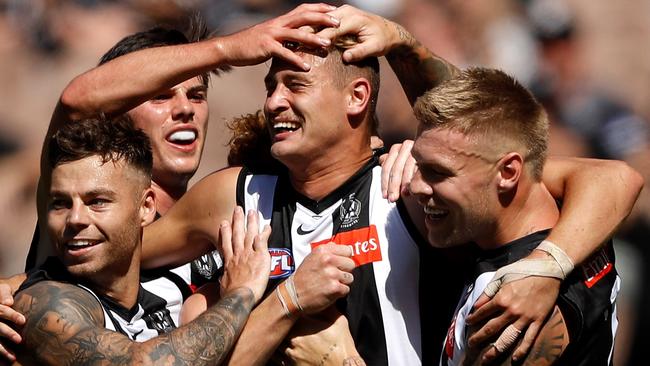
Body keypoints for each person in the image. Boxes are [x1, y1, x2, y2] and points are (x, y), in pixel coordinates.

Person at [129, 5, 642, 365]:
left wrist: (545, 267)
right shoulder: (237, 196)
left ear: (357, 97)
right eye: (270, 87)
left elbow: (607, 175)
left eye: (295, 85)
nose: (273, 103)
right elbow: (108, 252)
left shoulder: (413, 187)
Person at [0, 3, 345, 362]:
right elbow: (76, 103)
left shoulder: (232, 228)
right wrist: (228, 49)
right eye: (162, 96)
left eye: (197, 96)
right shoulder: (80, 230)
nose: (185, 109)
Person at [408, 67, 635, 365]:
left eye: (437, 172)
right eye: (418, 165)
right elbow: (612, 176)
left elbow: (619, 176)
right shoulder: (572, 217)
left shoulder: (513, 304)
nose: (415, 186)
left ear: (508, 173)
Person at [10, 115, 272, 365]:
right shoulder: (45, 303)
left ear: (146, 208)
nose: (75, 218)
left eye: (97, 202)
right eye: (60, 203)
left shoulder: (165, 299)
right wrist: (243, 293)